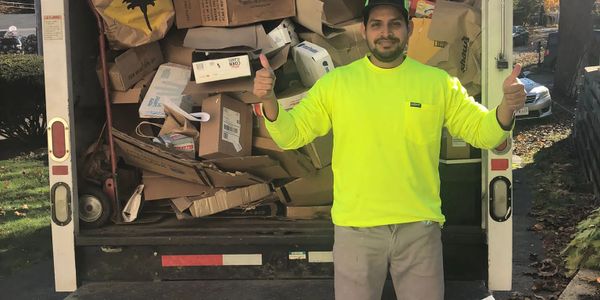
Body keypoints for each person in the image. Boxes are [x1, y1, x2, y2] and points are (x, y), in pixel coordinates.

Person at [253, 0, 526, 299]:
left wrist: (506, 108)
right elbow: (292, 135)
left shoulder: (438, 84)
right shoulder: (336, 84)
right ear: (364, 31)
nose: (386, 32)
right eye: (377, 25)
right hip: (355, 231)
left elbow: (482, 133)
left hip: (419, 230)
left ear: (409, 29)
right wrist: (268, 100)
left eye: (395, 23)